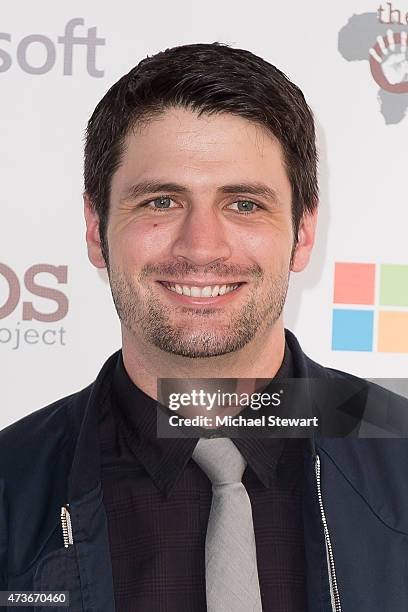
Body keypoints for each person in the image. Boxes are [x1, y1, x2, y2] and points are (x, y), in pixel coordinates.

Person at [1, 42, 407, 612]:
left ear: (303, 232)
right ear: (96, 229)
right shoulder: (10, 484)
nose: (201, 247)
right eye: (161, 201)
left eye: (243, 205)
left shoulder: (398, 447)